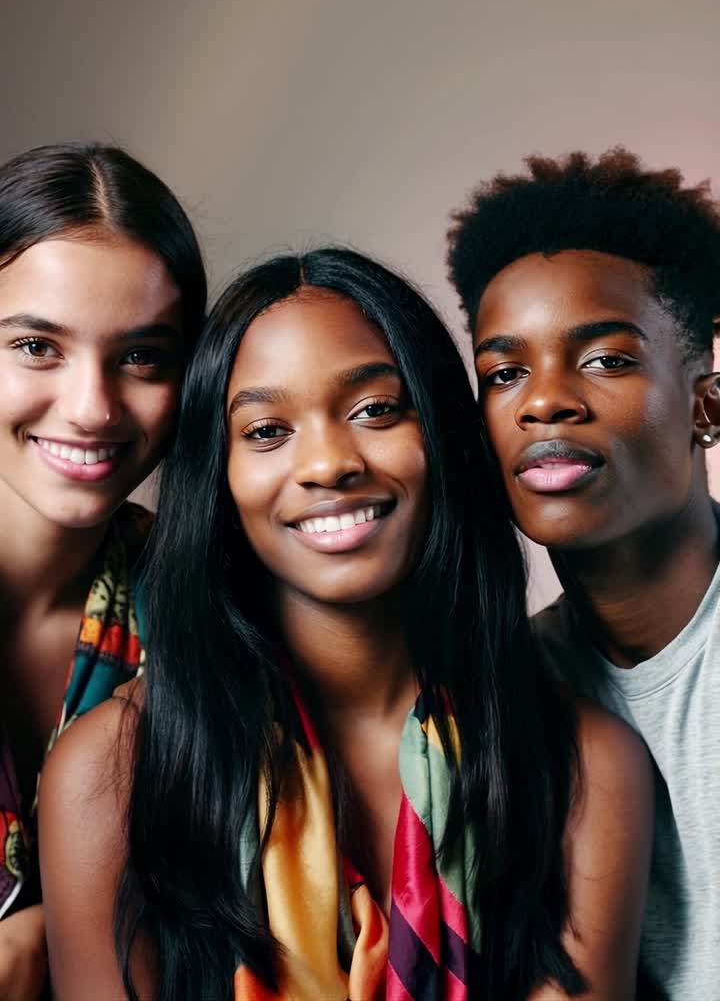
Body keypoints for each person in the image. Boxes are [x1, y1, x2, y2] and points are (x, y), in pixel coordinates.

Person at [40, 247, 650, 1001]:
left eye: (374, 410)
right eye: (266, 431)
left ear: (442, 435)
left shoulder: (586, 763)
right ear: (218, 477)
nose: (328, 464)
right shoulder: (110, 772)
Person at [447, 147, 720, 1001]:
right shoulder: (502, 692)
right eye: (504, 373)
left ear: (708, 407)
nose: (544, 402)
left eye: (605, 359)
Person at [0, 142, 206, 1001]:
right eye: (37, 346)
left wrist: (57, 925)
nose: (92, 408)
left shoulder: (207, 612)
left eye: (142, 357)